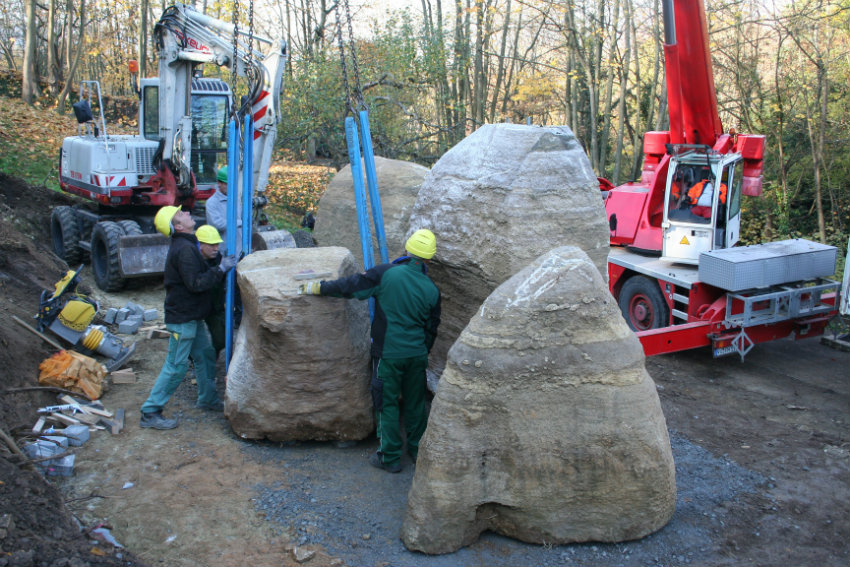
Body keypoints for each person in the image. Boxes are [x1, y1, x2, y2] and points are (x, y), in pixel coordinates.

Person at [299, 229, 441, 473]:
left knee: (386, 403)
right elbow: (432, 328)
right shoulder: (431, 288)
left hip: (389, 355)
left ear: (407, 250)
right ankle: (419, 452)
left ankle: (390, 457)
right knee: (416, 405)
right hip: (416, 356)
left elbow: (350, 286)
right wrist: (420, 351)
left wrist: (317, 288)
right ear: (428, 259)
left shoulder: (386, 273)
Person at [139, 206, 237, 430]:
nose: (187, 213)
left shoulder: (188, 245)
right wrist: (220, 269)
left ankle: (208, 399)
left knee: (205, 354)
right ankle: (150, 411)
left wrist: (216, 263)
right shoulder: (184, 249)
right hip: (182, 319)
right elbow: (196, 283)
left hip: (191, 318)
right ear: (178, 226)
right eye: (181, 214)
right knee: (176, 366)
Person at [196, 224, 226, 360]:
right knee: (193, 341)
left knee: (220, 339)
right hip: (195, 307)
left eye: (217, 245)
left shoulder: (218, 258)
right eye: (212, 245)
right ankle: (194, 361)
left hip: (214, 306)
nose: (216, 248)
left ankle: (212, 361)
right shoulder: (192, 260)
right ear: (200, 245)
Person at [205, 166, 241, 255]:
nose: (231, 187)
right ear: (219, 183)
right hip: (223, 250)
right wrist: (239, 222)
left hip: (239, 247)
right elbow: (218, 224)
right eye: (228, 184)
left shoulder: (236, 199)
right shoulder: (212, 203)